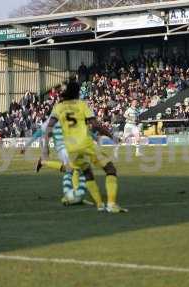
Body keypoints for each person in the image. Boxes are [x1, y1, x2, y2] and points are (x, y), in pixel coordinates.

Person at [43, 79, 127, 213]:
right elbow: (95, 125)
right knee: (110, 169)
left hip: (71, 149)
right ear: (77, 92)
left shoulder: (58, 107)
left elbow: (48, 128)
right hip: (86, 144)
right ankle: (111, 204)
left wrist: (45, 148)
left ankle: (100, 205)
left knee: (87, 173)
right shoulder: (82, 105)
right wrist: (112, 136)